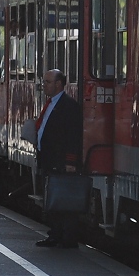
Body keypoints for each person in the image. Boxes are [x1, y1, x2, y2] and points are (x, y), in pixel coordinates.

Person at [34, 69, 83, 248]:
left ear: (58, 84)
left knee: (64, 200)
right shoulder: (51, 103)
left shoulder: (68, 106)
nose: (44, 85)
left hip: (61, 161)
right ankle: (55, 233)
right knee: (53, 199)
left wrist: (70, 161)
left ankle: (66, 237)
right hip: (49, 159)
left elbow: (73, 136)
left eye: (47, 82)